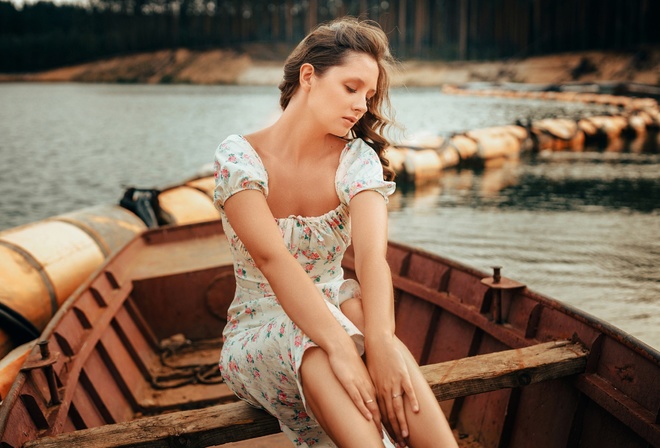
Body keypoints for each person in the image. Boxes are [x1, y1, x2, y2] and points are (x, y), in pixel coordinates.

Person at [213, 16, 458, 448]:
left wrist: (379, 343)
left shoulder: (356, 160)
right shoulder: (240, 157)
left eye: (369, 94)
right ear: (308, 76)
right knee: (320, 339)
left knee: (371, 325)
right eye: (351, 88)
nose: (363, 104)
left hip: (339, 314)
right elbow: (273, 261)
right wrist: (344, 349)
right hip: (258, 329)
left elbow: (370, 258)